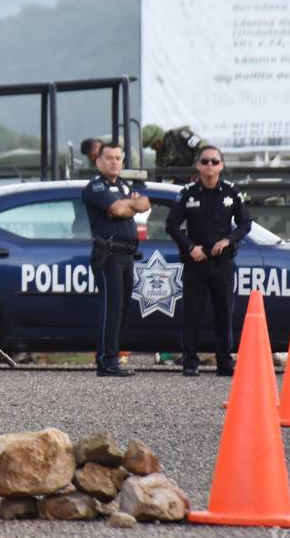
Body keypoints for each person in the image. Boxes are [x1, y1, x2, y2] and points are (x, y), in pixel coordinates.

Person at [165, 146, 250, 377]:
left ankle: (224, 362)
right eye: (205, 161)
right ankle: (190, 362)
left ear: (221, 165)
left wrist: (228, 240)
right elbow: (171, 225)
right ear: (198, 165)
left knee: (224, 313)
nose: (210, 166)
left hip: (222, 262)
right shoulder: (188, 193)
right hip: (196, 262)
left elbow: (245, 224)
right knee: (192, 314)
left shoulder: (231, 192)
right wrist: (190, 247)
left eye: (214, 161)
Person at [81, 142, 151, 377]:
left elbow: (144, 203)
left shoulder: (122, 185)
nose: (114, 162)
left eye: (118, 158)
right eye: (109, 158)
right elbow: (120, 210)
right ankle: (105, 361)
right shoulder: (96, 187)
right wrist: (130, 206)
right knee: (111, 308)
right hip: (108, 255)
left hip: (126, 254)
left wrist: (127, 205)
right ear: (98, 161)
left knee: (122, 309)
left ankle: (114, 357)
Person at [143, 123, 208, 169]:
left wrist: (194, 169)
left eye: (153, 145)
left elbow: (203, 148)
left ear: (159, 139)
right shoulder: (160, 154)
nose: (152, 148)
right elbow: (159, 171)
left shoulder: (180, 135)